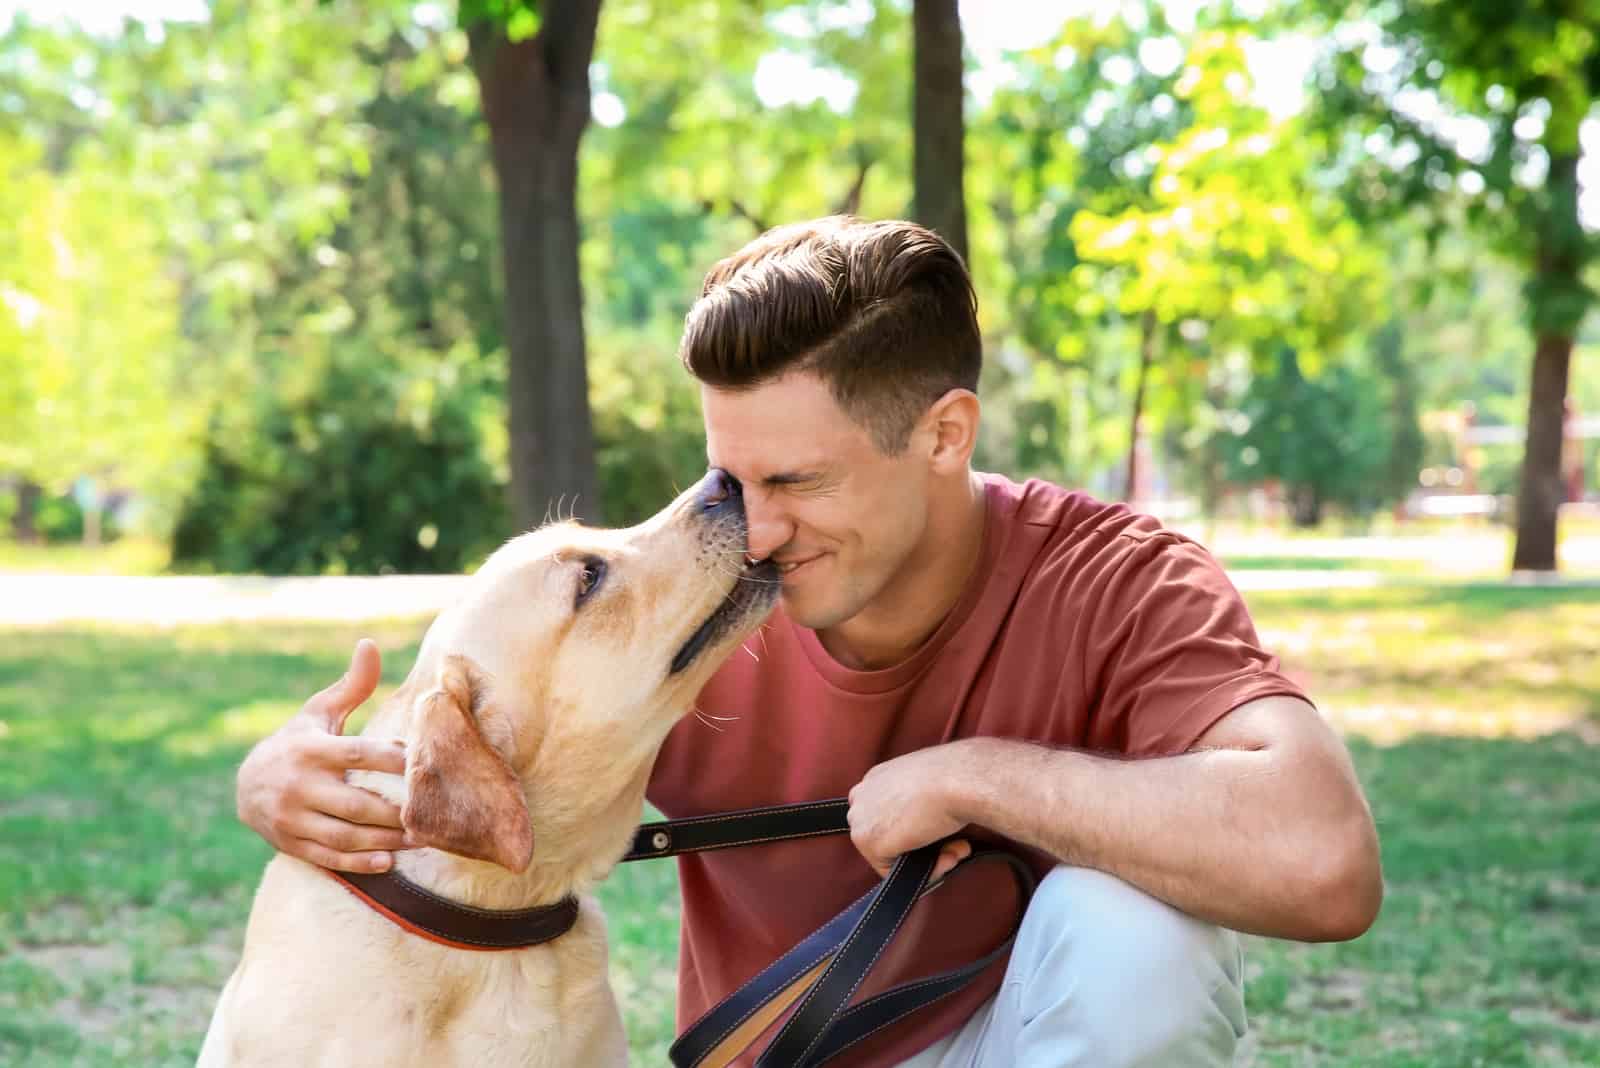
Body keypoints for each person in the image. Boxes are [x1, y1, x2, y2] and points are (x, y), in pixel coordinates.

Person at [236, 216, 1382, 1067]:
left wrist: (977, 777)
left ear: (944, 434)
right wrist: (287, 780)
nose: (750, 528)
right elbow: (495, 738)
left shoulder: (1116, 579)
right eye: (725, 476)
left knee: (1136, 933)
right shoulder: (695, 604)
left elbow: (1323, 864)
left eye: (794, 481)